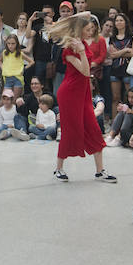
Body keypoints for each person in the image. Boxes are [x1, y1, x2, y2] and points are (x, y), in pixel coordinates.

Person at [49, 13, 116, 183]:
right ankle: (58, 169)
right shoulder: (71, 47)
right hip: (70, 94)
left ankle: (100, 171)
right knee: (70, 131)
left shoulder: (83, 43)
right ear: (80, 30)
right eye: (87, 29)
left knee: (94, 128)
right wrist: (81, 52)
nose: (91, 32)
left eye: (92, 29)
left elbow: (87, 73)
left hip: (83, 93)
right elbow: (86, 72)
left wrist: (84, 15)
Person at [0, 34, 30, 98]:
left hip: (17, 78)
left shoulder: (20, 53)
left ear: (16, 44)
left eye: (13, 43)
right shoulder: (4, 53)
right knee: (5, 99)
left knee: (15, 99)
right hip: (7, 78)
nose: (10, 46)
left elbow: (31, 62)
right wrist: (3, 68)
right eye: (8, 43)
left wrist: (24, 69)